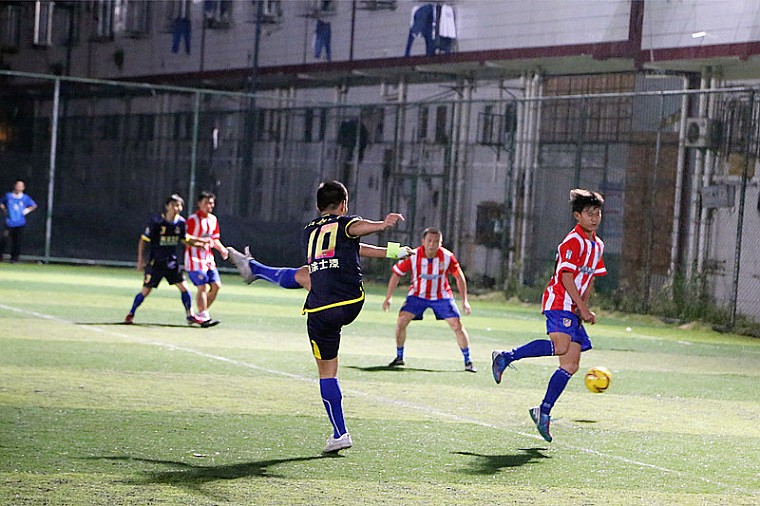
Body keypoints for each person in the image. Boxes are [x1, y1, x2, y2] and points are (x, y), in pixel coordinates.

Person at [228, 181, 406, 454]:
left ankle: (340, 432)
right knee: (304, 274)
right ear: (344, 205)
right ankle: (254, 269)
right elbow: (355, 231)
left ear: (317, 206)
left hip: (320, 310)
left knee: (327, 373)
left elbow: (352, 242)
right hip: (350, 302)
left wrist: (389, 246)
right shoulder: (345, 222)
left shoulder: (309, 231)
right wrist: (383, 228)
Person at [491, 188, 606, 443]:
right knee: (561, 346)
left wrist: (583, 308)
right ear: (577, 216)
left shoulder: (597, 245)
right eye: (589, 213)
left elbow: (589, 279)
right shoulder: (572, 241)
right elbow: (565, 277)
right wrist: (581, 307)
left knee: (570, 365)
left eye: (597, 213)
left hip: (573, 308)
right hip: (559, 301)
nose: (594, 218)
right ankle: (506, 356)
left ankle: (542, 412)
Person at [382, 227, 476, 373]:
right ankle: (399, 357)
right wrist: (388, 297)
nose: (432, 244)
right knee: (401, 322)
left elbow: (459, 277)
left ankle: (468, 361)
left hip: (441, 296)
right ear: (423, 241)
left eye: (436, 241)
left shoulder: (447, 256)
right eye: (429, 241)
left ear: (441, 243)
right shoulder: (413, 255)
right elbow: (396, 274)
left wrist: (465, 301)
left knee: (457, 325)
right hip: (417, 295)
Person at [124, 194, 209, 326]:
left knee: (184, 288)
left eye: (179, 205)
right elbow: (143, 240)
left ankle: (190, 315)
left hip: (172, 263)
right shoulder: (157, 222)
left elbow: (184, 239)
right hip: (156, 263)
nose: (177, 208)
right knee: (146, 290)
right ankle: (131, 314)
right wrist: (141, 259)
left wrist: (199, 244)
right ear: (167, 206)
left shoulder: (181, 223)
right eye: (174, 205)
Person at [185, 191, 229, 328]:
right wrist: (200, 243)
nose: (209, 206)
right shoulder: (193, 219)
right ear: (199, 204)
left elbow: (214, 239)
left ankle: (200, 315)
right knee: (202, 286)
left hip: (208, 259)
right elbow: (186, 239)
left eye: (211, 203)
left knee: (216, 286)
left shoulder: (213, 220)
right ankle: (204, 316)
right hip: (194, 259)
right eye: (206, 203)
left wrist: (222, 249)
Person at [0, 179, 38, 263]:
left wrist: (26, 211)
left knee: (17, 241)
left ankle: (14, 258)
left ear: (23, 188)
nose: (19, 188)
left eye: (21, 186)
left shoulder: (25, 198)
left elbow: (34, 205)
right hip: (9, 222)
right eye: (18, 186)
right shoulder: (8, 196)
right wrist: (5, 210)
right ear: (15, 186)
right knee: (4, 239)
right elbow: (1, 202)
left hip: (20, 223)